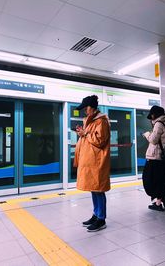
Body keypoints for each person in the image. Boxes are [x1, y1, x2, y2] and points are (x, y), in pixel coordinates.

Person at [73, 95, 111, 232]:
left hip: (97, 161)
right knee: (93, 189)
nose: (84, 111)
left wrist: (85, 134)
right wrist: (82, 133)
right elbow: (90, 138)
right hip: (90, 161)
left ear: (92, 107)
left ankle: (101, 219)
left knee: (98, 190)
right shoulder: (90, 121)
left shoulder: (101, 121)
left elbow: (100, 141)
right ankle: (96, 215)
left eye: (86, 108)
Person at [142, 105, 165, 211]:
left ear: (154, 114)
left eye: (152, 115)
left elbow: (153, 140)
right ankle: (160, 200)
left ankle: (160, 201)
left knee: (148, 180)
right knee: (161, 180)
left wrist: (147, 134)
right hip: (163, 156)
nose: (151, 117)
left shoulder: (158, 124)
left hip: (154, 157)